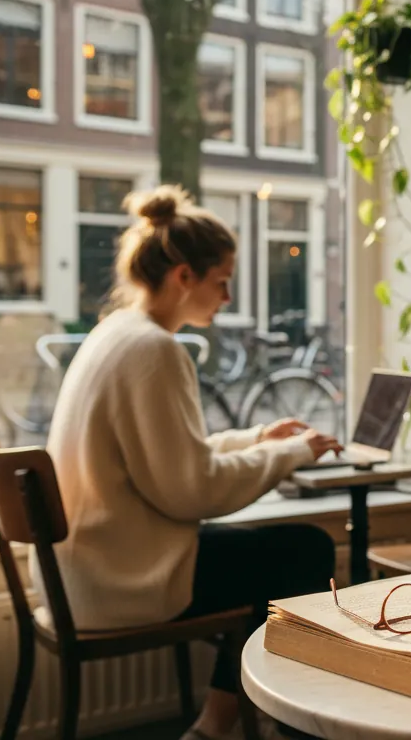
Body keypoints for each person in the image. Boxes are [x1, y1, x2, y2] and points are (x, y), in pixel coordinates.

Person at [39, 185, 343, 740]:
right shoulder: (154, 350)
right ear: (184, 277)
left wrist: (257, 438)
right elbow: (192, 491)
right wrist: (293, 451)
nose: (226, 298)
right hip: (124, 578)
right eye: (222, 282)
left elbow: (172, 457)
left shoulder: (116, 334)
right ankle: (260, 727)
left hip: (87, 571)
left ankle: (220, 724)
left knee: (271, 553)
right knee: (306, 551)